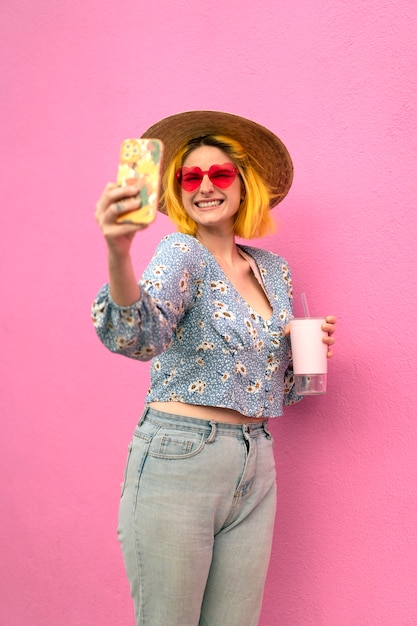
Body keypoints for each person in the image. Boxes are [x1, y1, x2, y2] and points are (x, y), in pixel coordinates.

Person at [92, 110, 336, 626]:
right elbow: (140, 337)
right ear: (177, 190)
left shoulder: (273, 269)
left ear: (243, 186)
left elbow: (272, 388)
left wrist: (300, 351)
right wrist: (118, 251)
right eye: (190, 176)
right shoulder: (181, 252)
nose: (204, 186)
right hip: (181, 454)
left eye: (219, 174)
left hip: (255, 459)